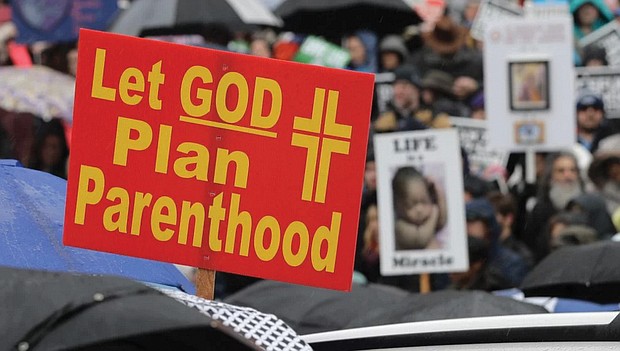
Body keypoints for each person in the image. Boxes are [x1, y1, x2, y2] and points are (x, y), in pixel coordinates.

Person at [522, 151, 585, 261]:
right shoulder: (540, 209)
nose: (568, 176)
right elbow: (531, 243)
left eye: (572, 170)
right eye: (561, 171)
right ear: (551, 176)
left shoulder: (587, 206)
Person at [464, 198, 530, 290]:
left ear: (487, 225)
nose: (466, 228)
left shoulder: (511, 264)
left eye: (471, 222)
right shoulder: (462, 264)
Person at [392, 166, 447, 250]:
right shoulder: (400, 226)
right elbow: (420, 241)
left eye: (424, 202)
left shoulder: (429, 219)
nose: (419, 210)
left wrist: (438, 191)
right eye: (410, 205)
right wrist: (434, 214)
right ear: (398, 206)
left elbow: (442, 221)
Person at [575, 88, 615, 154]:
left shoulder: (612, 140)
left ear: (603, 113)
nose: (590, 114)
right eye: (583, 108)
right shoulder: (567, 141)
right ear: (576, 113)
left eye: (596, 108)